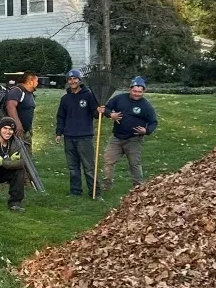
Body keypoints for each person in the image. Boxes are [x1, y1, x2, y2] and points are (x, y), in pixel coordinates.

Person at [99, 76, 158, 192]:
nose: (137, 94)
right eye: (134, 91)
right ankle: (106, 187)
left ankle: (138, 188)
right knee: (108, 161)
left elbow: (153, 122)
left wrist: (146, 131)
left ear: (144, 91)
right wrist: (110, 114)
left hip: (134, 139)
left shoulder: (146, 106)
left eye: (140, 92)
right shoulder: (119, 99)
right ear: (130, 89)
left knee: (134, 164)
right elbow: (105, 108)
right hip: (116, 138)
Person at [54, 68, 97, 197]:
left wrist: (99, 110)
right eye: (70, 79)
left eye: (75, 79)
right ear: (67, 81)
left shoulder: (89, 95)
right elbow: (61, 117)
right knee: (73, 168)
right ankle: (75, 192)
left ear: (79, 80)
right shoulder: (65, 99)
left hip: (85, 137)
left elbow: (95, 113)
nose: (72, 81)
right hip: (69, 136)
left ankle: (95, 192)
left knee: (89, 167)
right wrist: (59, 133)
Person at [4, 70, 39, 147]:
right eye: (36, 81)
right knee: (16, 156)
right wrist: (18, 124)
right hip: (16, 132)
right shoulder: (17, 91)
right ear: (30, 81)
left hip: (26, 132)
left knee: (27, 156)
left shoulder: (29, 93)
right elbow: (10, 106)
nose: (37, 83)